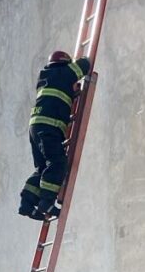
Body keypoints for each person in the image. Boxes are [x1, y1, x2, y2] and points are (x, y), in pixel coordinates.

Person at [18, 49, 91, 220]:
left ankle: (27, 204)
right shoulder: (65, 73)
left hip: (35, 128)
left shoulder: (44, 78)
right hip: (49, 127)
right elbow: (85, 64)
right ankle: (47, 202)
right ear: (65, 63)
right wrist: (83, 59)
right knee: (58, 162)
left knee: (42, 167)